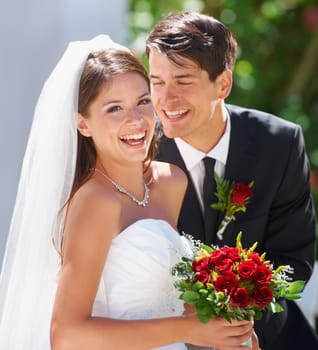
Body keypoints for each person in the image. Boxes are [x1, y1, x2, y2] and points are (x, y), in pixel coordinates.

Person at [0, 35, 259, 350]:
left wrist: (225, 329)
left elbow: (166, 293)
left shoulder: (171, 182)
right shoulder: (96, 200)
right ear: (83, 124)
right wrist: (186, 330)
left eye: (143, 101)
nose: (135, 120)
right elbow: (67, 335)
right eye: (114, 109)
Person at [146, 11, 318, 350]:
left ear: (223, 83)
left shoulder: (280, 144)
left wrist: (242, 331)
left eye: (183, 81)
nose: (165, 100)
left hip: (272, 336)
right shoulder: (138, 154)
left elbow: (293, 258)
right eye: (156, 81)